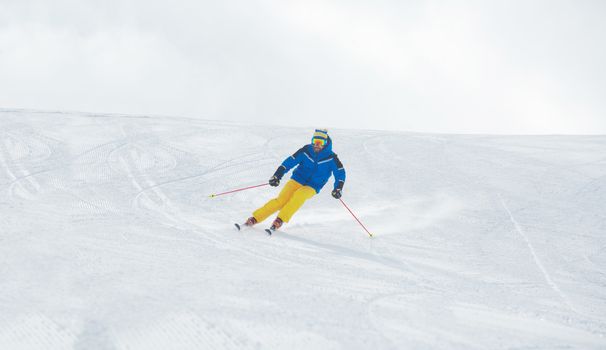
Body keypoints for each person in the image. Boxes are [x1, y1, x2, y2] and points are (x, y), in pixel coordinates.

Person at [244, 129, 346, 230]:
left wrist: (338, 188)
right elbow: (290, 161)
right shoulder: (306, 151)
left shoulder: (331, 158)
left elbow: (340, 173)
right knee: (281, 201)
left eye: (321, 142)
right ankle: (255, 218)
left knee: (299, 196)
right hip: (297, 179)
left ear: (326, 143)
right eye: (315, 141)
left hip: (313, 186)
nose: (317, 145)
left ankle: (279, 220)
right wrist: (277, 175)